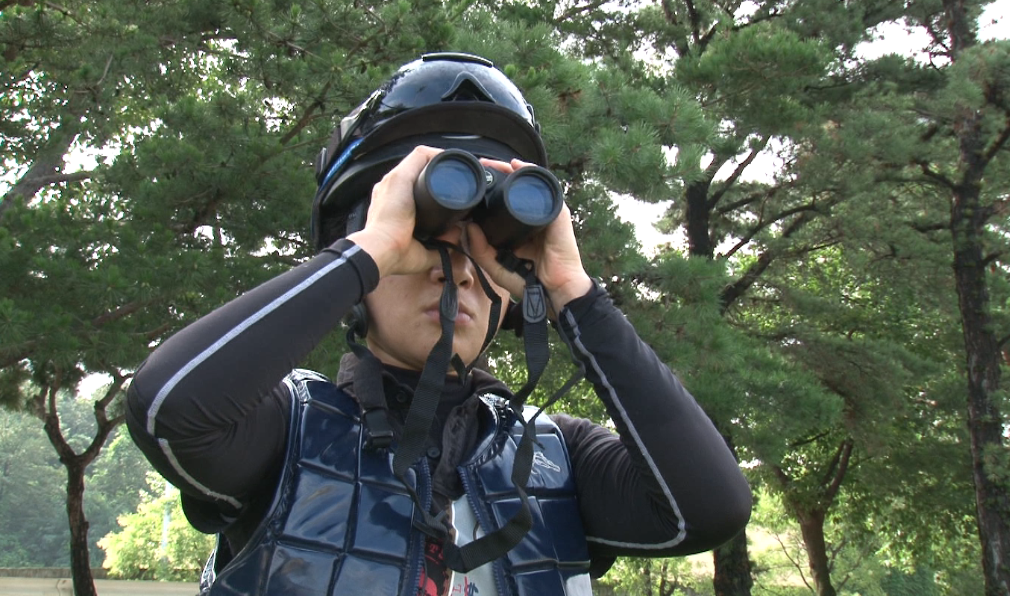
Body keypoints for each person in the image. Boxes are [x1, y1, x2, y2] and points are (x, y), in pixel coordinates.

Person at [126, 52, 752, 596]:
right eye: (423, 245)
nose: (454, 274)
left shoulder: (558, 459)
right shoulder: (280, 431)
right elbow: (167, 407)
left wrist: (572, 293)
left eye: (485, 254)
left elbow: (711, 509)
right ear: (362, 273)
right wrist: (372, 248)